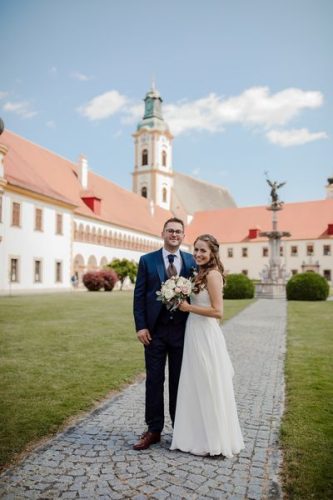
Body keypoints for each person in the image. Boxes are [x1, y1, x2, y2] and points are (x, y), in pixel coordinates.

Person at [170, 234, 244, 457]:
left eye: (203, 250)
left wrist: (188, 308)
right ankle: (194, 436)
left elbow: (218, 312)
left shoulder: (213, 275)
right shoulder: (198, 274)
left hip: (206, 334)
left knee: (209, 382)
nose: (198, 254)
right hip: (193, 332)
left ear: (212, 253)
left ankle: (214, 439)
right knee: (195, 382)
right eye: (196, 250)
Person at [133, 217, 196, 450]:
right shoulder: (147, 260)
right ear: (162, 233)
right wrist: (141, 326)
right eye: (170, 231)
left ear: (183, 235)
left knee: (180, 382)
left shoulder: (191, 262)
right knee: (154, 381)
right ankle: (154, 430)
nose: (174, 235)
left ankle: (180, 430)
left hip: (183, 332)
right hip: (154, 332)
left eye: (178, 232)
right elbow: (139, 296)